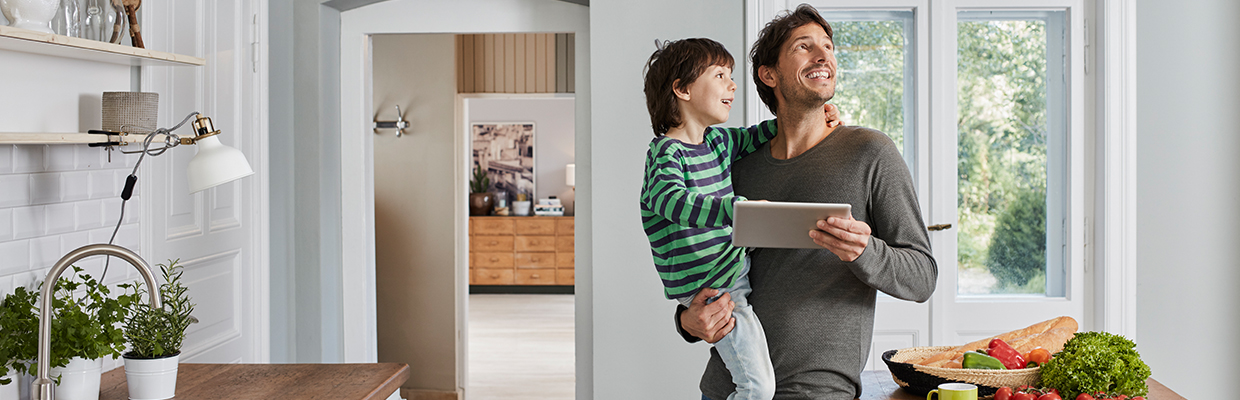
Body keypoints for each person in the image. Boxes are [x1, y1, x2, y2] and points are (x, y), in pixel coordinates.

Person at [673, 5, 938, 400]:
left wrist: (864, 251)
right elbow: (702, 261)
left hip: (819, 391)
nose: (824, 56)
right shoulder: (736, 165)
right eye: (804, 46)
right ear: (769, 74)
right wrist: (687, 321)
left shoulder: (870, 152)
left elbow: (922, 276)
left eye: (828, 47)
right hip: (727, 388)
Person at [640, 38, 841, 400]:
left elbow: (759, 135)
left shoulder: (717, 142)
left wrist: (816, 116)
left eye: (731, 76)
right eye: (720, 75)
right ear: (683, 89)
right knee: (758, 388)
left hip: (727, 278)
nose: (732, 85)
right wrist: (737, 211)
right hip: (717, 288)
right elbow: (669, 201)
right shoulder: (666, 152)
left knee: (757, 383)